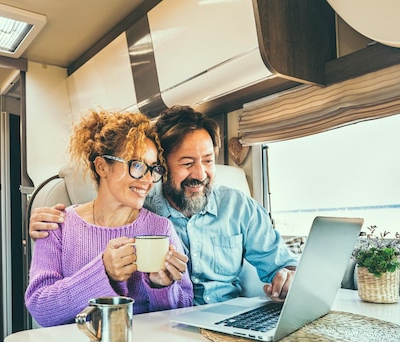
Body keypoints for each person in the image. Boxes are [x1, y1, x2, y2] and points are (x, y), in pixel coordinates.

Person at [0, 109, 193, 342]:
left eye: (152, 169)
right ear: (102, 166)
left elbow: (181, 316)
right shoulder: (59, 225)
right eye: (136, 165)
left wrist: (160, 285)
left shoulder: (160, 229)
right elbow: (41, 307)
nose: (147, 180)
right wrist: (103, 271)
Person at [30, 105, 298, 305]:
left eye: (207, 161)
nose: (201, 174)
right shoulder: (140, 210)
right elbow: (41, 304)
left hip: (223, 321)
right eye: (186, 163)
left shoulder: (234, 207)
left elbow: (283, 266)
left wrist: (289, 277)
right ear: (166, 166)